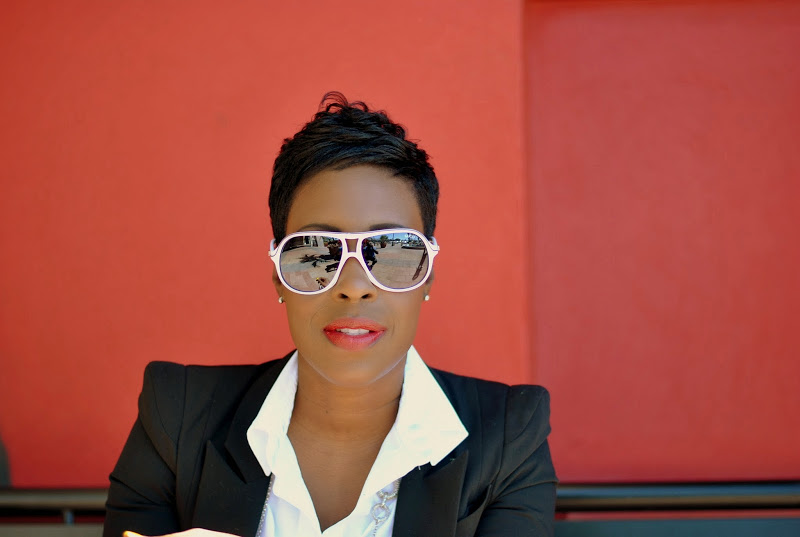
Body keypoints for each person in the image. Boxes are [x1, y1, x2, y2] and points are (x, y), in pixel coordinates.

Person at [103, 93, 557, 537]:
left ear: (427, 276)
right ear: (279, 277)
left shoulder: (509, 437)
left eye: (392, 251)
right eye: (316, 252)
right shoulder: (177, 417)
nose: (354, 286)